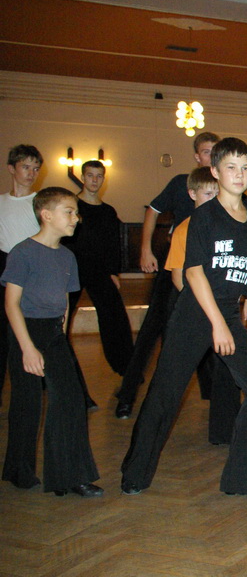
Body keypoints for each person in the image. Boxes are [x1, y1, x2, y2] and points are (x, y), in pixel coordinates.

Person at [120, 138, 247, 497]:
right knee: (165, 394)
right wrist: (218, 325)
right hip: (194, 313)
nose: (239, 174)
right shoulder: (204, 216)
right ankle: (134, 473)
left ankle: (245, 478)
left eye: (245, 168)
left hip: (228, 313)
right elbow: (193, 273)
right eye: (231, 167)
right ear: (215, 171)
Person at [2, 187, 102, 497]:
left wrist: (62, 334)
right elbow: (11, 304)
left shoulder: (67, 256)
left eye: (76, 212)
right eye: (69, 212)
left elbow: (66, 300)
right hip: (26, 331)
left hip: (54, 333)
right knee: (27, 403)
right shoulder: (22, 252)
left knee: (71, 401)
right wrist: (27, 348)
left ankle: (69, 477)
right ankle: (19, 469)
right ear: (46, 215)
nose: (76, 218)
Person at [160, 167, 243, 445]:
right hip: (193, 310)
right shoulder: (184, 229)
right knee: (175, 374)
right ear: (192, 194)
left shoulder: (225, 226)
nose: (213, 199)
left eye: (216, 194)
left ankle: (225, 432)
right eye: (208, 194)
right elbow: (178, 275)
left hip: (223, 310)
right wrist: (202, 307)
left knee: (227, 368)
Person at [64, 160, 134, 378]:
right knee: (61, 318)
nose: (94, 180)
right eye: (90, 175)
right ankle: (55, 370)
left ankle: (127, 368)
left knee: (115, 317)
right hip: (72, 269)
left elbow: (113, 245)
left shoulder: (108, 212)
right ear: (82, 178)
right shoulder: (71, 206)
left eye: (99, 176)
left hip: (100, 270)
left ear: (104, 179)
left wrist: (113, 272)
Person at [0, 145, 44, 409]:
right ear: (11, 169)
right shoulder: (1, 203)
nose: (31, 173)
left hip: (33, 271)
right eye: (26, 167)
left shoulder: (41, 203)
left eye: (35, 168)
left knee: (35, 333)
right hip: (5, 268)